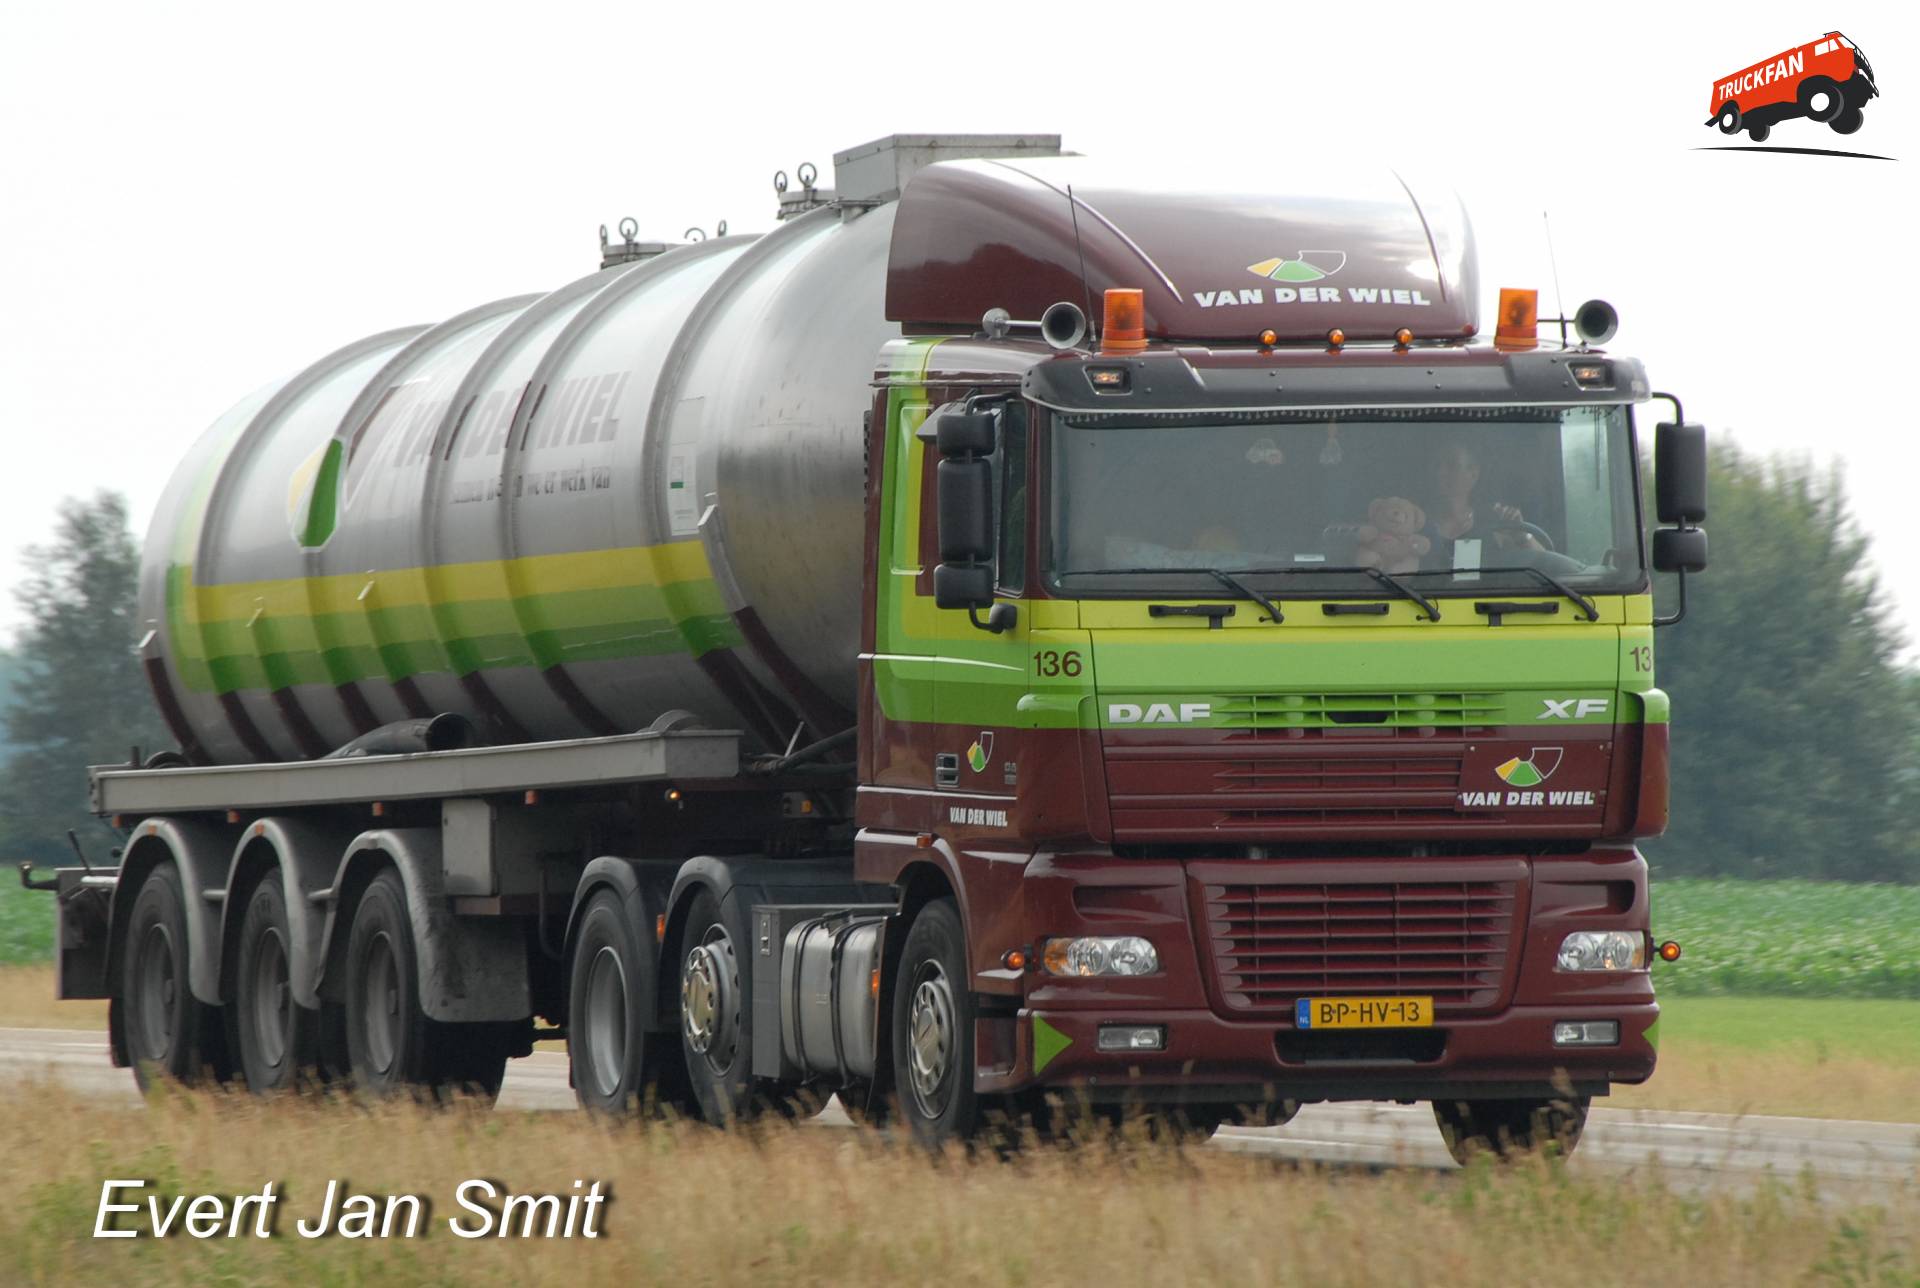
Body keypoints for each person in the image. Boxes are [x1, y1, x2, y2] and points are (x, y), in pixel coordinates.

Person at [1418, 440, 1538, 567]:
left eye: (1452, 465)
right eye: (1437, 465)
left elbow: (1543, 566)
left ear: (1474, 474)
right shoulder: (1416, 521)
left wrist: (1522, 535)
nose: (1440, 472)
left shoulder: (1495, 521)